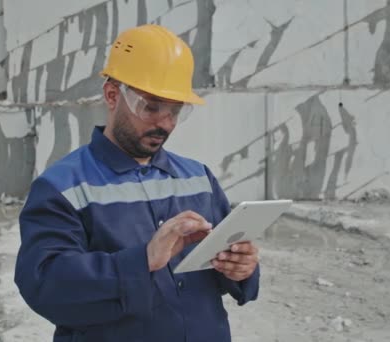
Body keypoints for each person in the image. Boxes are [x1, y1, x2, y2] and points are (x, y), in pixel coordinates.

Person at [14, 24, 260, 342]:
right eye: (151, 106)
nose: (165, 123)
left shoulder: (198, 179)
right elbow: (45, 286)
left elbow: (226, 260)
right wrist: (142, 261)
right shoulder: (62, 187)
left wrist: (243, 269)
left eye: (175, 111)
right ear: (113, 95)